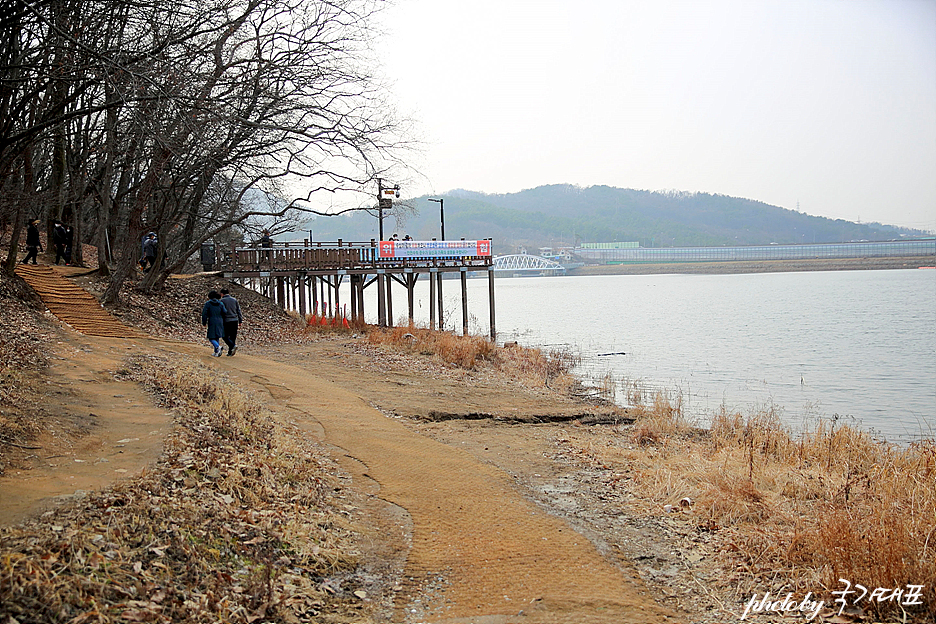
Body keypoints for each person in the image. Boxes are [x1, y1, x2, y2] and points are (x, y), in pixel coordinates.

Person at [201, 290, 228, 357]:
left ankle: (218, 347)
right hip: (220, 321)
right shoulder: (221, 303)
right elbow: (225, 312)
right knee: (217, 336)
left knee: (211, 337)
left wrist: (204, 322)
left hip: (212, 320)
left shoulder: (208, 304)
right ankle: (216, 352)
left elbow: (204, 313)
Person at [219, 288, 243, 356]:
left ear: (222, 294)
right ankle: (230, 352)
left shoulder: (222, 301)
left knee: (224, 336)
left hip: (226, 320)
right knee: (233, 336)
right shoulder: (234, 300)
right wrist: (240, 320)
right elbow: (238, 310)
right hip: (235, 320)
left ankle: (232, 346)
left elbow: (221, 312)